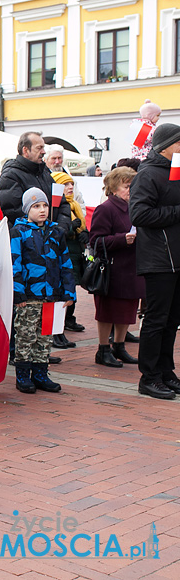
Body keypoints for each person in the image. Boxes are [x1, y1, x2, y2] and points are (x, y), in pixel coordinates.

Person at [129, 123, 180, 399]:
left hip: (176, 258)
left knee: (172, 320)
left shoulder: (176, 171)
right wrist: (177, 212)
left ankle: (165, 371)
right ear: (167, 145)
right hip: (159, 259)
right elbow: (139, 215)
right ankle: (148, 377)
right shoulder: (147, 173)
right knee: (156, 320)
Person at [10, 188, 75, 395]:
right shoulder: (19, 232)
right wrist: (18, 293)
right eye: (36, 206)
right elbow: (15, 264)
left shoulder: (56, 232)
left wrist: (69, 292)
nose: (42, 210)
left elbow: (65, 262)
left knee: (45, 336)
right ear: (27, 209)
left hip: (51, 296)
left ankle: (40, 373)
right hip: (29, 297)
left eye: (45, 206)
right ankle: (23, 375)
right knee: (25, 336)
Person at [89, 166, 142, 368]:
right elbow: (95, 241)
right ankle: (103, 349)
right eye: (127, 186)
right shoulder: (106, 209)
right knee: (108, 311)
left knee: (127, 309)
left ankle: (119, 346)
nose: (131, 190)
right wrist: (122, 239)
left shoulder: (135, 207)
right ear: (113, 187)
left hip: (132, 267)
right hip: (112, 269)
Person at [51, 171, 88, 342]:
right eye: (65, 184)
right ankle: (57, 331)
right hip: (61, 256)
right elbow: (54, 233)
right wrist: (71, 228)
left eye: (71, 184)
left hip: (74, 254)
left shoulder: (76, 206)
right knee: (62, 292)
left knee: (71, 291)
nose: (70, 187)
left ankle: (66, 323)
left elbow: (83, 228)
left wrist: (84, 234)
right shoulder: (54, 207)